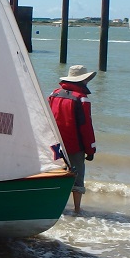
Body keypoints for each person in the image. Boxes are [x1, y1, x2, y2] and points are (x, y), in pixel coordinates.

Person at [49, 64, 97, 215]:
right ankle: (76, 209)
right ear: (82, 81)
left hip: (55, 143)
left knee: (57, 173)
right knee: (77, 176)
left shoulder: (54, 94)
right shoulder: (82, 99)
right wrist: (91, 149)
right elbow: (86, 126)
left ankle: (54, 206)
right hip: (75, 145)